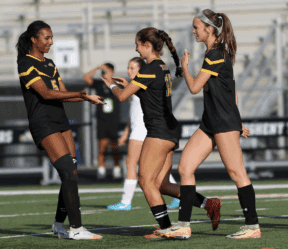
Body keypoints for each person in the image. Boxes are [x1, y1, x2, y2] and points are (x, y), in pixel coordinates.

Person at [101, 27, 222, 239]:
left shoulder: (148, 69)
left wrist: (111, 84)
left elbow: (121, 97)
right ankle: (207, 203)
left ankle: (167, 228)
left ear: (147, 46)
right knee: (162, 184)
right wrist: (129, 84)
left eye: (138, 44)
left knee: (146, 181)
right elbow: (150, 95)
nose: (136, 49)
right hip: (169, 129)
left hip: (159, 132)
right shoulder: (162, 67)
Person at [157, 9, 261, 240]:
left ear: (208, 29)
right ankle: (184, 225)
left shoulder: (215, 54)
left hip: (223, 123)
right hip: (211, 122)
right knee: (185, 168)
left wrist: (184, 66)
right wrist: (238, 119)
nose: (193, 31)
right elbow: (231, 90)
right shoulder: (216, 53)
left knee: (237, 173)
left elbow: (194, 88)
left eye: (196, 27)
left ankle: (252, 227)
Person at [17, 20, 104, 240]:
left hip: (61, 121)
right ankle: (76, 229)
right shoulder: (25, 63)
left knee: (71, 174)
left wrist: (86, 96)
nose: (50, 42)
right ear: (33, 39)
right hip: (43, 123)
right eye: (46, 38)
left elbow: (63, 92)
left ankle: (58, 224)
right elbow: (46, 93)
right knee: (67, 172)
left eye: (51, 37)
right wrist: (82, 95)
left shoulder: (50, 64)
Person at [106, 57, 180, 211]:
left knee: (131, 164)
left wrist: (111, 84)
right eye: (128, 67)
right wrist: (126, 132)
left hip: (142, 131)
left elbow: (122, 96)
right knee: (157, 168)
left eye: (133, 68)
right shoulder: (137, 85)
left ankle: (126, 201)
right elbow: (133, 115)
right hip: (140, 130)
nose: (129, 71)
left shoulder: (141, 84)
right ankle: (178, 195)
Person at [83, 64, 122, 180]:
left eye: (108, 71)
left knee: (115, 147)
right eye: (105, 72)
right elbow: (86, 77)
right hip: (102, 120)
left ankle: (117, 168)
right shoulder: (99, 84)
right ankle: (101, 169)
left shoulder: (117, 84)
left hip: (114, 120)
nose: (106, 74)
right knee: (102, 147)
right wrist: (97, 68)